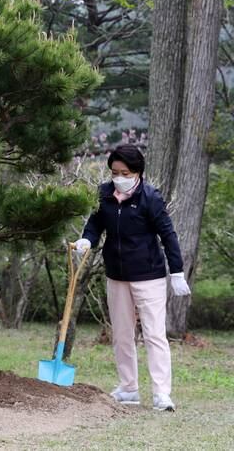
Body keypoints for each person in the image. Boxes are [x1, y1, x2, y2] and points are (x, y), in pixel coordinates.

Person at [75, 144, 191, 412]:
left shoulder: (150, 197)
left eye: (124, 172)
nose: (119, 177)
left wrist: (176, 271)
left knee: (154, 335)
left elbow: (168, 234)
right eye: (114, 172)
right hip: (116, 275)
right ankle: (128, 388)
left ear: (137, 172)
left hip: (148, 276)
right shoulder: (104, 194)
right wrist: (86, 240)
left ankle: (162, 394)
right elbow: (95, 224)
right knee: (123, 334)